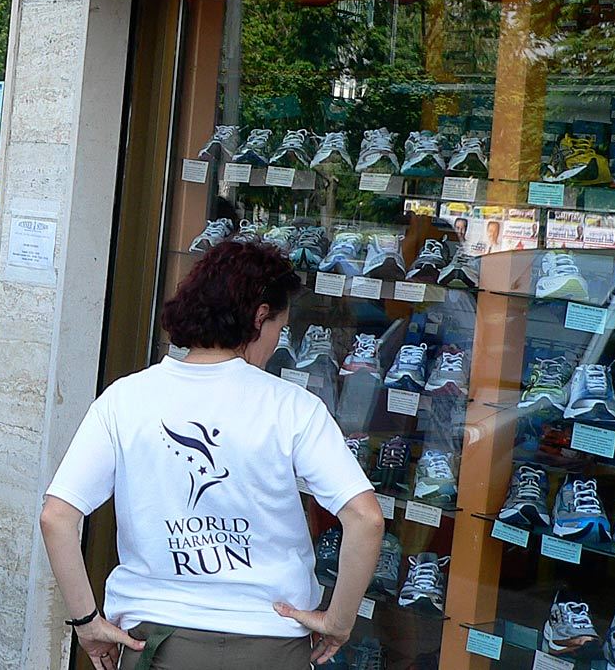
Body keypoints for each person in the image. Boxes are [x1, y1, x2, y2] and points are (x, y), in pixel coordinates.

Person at [40, 238, 384, 670]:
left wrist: (87, 622)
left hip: (158, 646)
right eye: (279, 328)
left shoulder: (124, 399)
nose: (275, 343)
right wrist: (339, 621)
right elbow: (367, 519)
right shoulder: (292, 406)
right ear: (259, 317)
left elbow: (56, 517)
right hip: (271, 645)